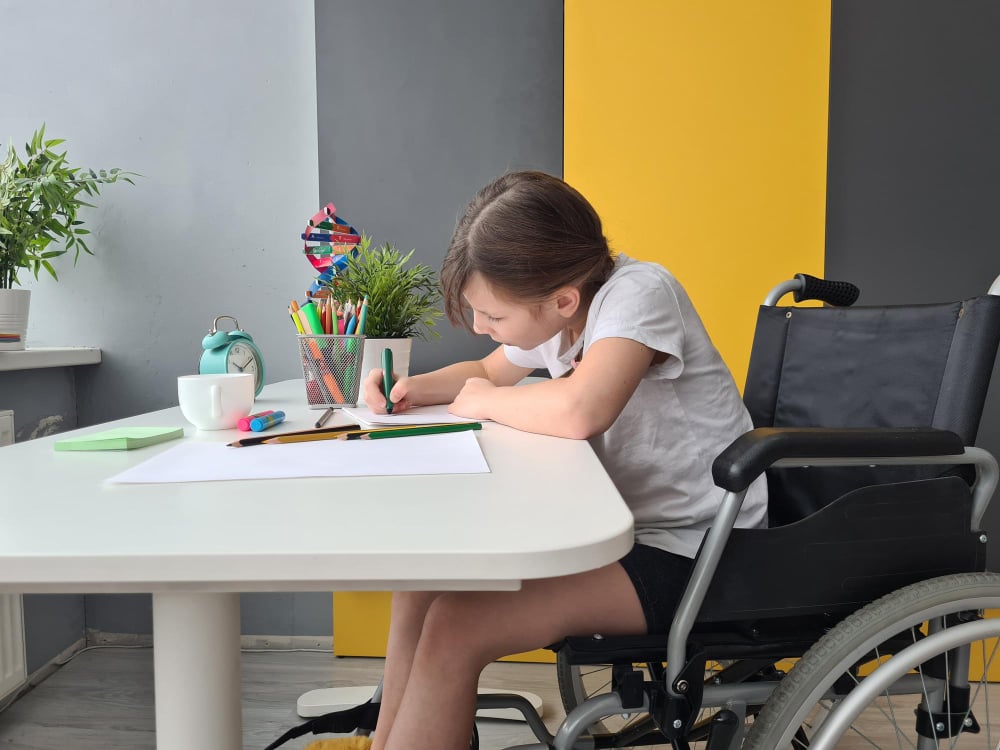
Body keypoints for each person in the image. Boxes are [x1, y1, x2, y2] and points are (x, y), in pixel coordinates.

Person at [357, 170, 767, 750]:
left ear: (562, 299)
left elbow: (581, 410)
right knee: (420, 584)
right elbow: (485, 372)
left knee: (455, 625)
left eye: (494, 317)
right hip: (627, 534)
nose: (481, 328)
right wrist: (412, 386)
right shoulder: (563, 307)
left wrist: (487, 401)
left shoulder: (640, 293)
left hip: (696, 551)